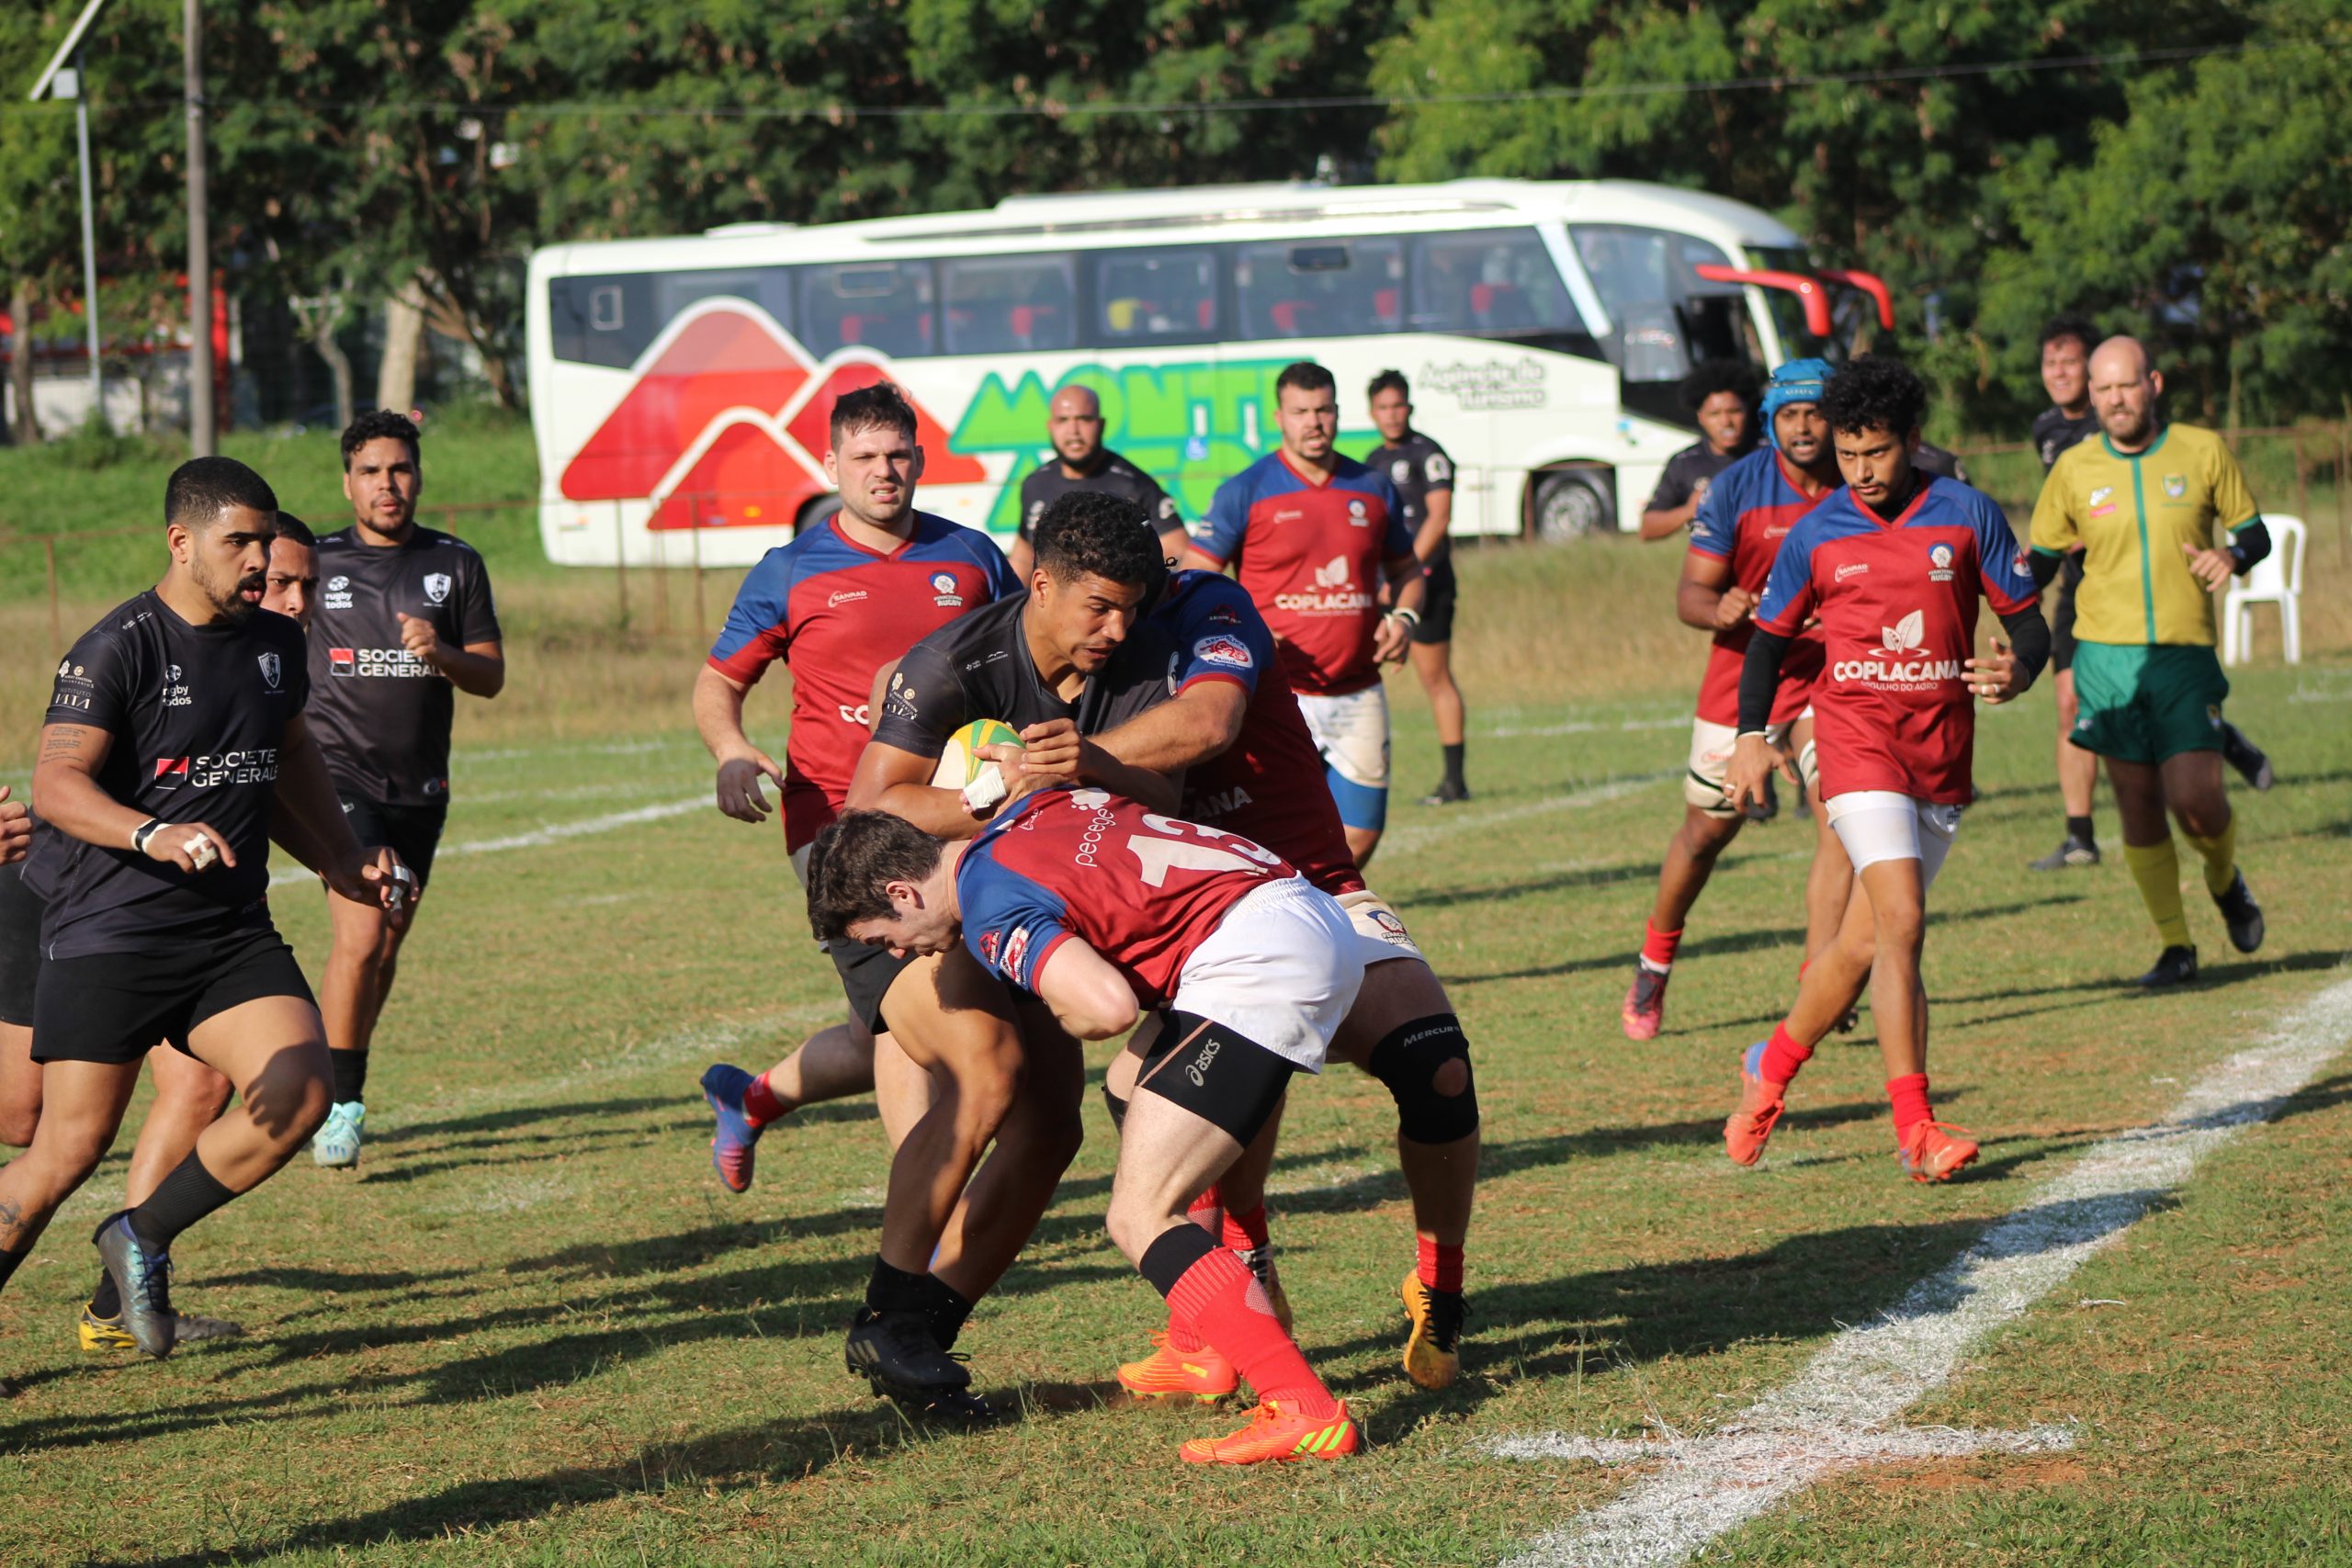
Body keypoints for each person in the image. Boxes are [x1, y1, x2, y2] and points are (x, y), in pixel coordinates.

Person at [808, 791, 1366, 1466]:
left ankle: (1302, 1406)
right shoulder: (1029, 811)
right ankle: (1200, 1348)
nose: (898, 955)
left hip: (1254, 958)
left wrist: (1065, 1011)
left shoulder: (989, 908)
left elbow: (1105, 1008)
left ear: (903, 891)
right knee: (1129, 1087)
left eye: (883, 938)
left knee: (1138, 1214)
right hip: (1294, 909)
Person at [3, 458, 410, 1371]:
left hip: (228, 932)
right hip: (112, 928)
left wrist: (342, 857)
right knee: (60, 1150)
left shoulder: (273, 643)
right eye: (240, 542)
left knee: (304, 1088)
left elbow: (290, 750)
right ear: (181, 543)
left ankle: (140, 1235)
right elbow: (57, 785)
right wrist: (150, 834)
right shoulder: (120, 647)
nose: (260, 559)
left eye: (266, 540)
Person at [690, 382, 1043, 1417]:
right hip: (846, 851)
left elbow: (1015, 674)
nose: (884, 472)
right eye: (865, 458)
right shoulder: (792, 570)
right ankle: (902, 1315)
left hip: (965, 832)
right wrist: (730, 751)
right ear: (834, 464)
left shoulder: (970, 557)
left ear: (917, 461)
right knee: (972, 1061)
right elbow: (719, 682)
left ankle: (755, 1097)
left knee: (932, 1045)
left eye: (899, 455)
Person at [1090, 564, 1481, 1396]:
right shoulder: (1069, 659)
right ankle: (1233, 1286)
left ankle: (1439, 1292)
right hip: (1213, 921)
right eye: (1097, 602)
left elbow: (1211, 717)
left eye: (1125, 595)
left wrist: (1070, 755)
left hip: (1321, 888)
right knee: (1157, 1093)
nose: (1112, 623)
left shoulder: (1206, 604)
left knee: (1439, 1067)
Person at [1721, 356, 2048, 1181]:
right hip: (1854, 738)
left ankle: (1770, 1070)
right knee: (1901, 918)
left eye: (1877, 453)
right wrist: (1752, 735)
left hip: (1940, 750)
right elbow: (1766, 641)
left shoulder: (1967, 514)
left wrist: (2020, 669)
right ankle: (1917, 1129)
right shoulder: (1819, 532)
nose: (1860, 472)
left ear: (1911, 441)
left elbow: (2029, 625)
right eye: (1847, 453)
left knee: (1865, 942)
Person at [2027, 336, 2269, 987]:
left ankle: (2224, 880)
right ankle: (2175, 945)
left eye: (2126, 386)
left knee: (2197, 800)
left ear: (2153, 383)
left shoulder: (2202, 449)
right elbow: (2041, 563)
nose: (2115, 400)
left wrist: (2232, 557)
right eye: (2103, 389)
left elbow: (2255, 534)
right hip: (2103, 657)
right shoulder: (2074, 468)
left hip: (2183, 656)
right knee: (2136, 806)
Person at [1622, 358, 1852, 1043]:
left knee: (1840, 820)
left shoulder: (1858, 481)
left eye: (1816, 413)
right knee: (1705, 834)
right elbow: (1689, 595)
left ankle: (1823, 975)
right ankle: (1655, 962)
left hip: (1832, 681)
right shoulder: (1735, 487)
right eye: (1791, 415)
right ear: (1769, 422)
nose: (1805, 427)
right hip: (1742, 683)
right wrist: (1719, 605)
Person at [301, 413, 503, 1168]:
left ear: (418, 475)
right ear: (347, 480)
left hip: (420, 787)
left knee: (383, 945)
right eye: (372, 471)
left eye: (401, 469)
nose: (388, 485)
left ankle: (339, 1073)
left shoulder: (456, 562)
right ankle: (337, 1101)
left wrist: (441, 651)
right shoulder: (316, 562)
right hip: (335, 776)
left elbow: (490, 676)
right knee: (358, 935)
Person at [1185, 361, 1423, 868]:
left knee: (1361, 832)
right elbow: (1195, 581)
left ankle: (1316, 913)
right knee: (1264, 830)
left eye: (1324, 410)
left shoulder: (1373, 488)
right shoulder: (1245, 490)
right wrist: (1242, 626)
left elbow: (1408, 572)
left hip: (1358, 689)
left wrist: (1403, 618)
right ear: (1280, 417)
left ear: (1337, 413)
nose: (1314, 422)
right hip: (1276, 696)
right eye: (1301, 412)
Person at [1366, 370, 1473, 807]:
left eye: (1399, 406)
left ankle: (1454, 781)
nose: (1393, 415)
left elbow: (1439, 516)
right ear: (1373, 412)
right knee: (1363, 677)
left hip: (1426, 583)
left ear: (1410, 407)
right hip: (1382, 589)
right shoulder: (1370, 461)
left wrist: (1405, 573)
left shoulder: (1429, 454)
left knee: (1435, 678)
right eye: (1384, 407)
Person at [2027, 315, 2109, 870]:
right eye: (2050, 362)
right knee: (2067, 702)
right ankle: (2080, 836)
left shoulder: (2118, 422)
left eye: (2069, 361)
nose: (2058, 372)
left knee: (2142, 707)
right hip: (2074, 588)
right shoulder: (2046, 430)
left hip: (2126, 586)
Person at [1008, 385, 1188, 578]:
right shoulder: (1035, 484)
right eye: (1063, 420)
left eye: (1084, 419)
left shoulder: (1133, 484)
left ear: (1100, 424)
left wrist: (1141, 590)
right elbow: (1024, 556)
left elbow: (1178, 551)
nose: (1073, 431)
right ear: (1050, 426)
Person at [1638, 361, 1762, 540]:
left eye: (1734, 411)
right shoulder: (1685, 462)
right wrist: (1689, 510)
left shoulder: (1771, 453)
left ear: (1747, 411)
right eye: (1715, 414)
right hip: (1713, 565)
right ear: (1701, 417)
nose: (1726, 421)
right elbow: (1647, 529)